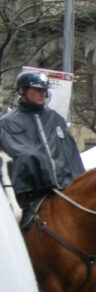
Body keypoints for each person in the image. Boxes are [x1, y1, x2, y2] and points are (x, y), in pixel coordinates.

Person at [0, 70, 84, 217]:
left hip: (64, 190)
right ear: (22, 90)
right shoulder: (7, 123)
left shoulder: (55, 119)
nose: (43, 94)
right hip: (26, 194)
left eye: (44, 90)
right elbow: (16, 158)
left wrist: (80, 182)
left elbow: (71, 155)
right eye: (38, 90)